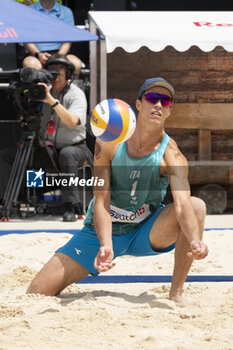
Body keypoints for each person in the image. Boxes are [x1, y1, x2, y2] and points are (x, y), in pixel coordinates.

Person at [26, 77, 208, 305]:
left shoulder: (172, 155)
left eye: (166, 101)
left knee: (196, 205)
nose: (159, 105)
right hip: (100, 231)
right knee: (37, 292)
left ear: (170, 110)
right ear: (139, 105)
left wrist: (194, 241)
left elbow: (182, 206)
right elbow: (101, 200)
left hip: (145, 231)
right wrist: (106, 245)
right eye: (152, 98)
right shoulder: (110, 140)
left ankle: (176, 292)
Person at [0, 54, 93, 222]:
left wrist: (51, 101)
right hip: (48, 147)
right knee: (8, 156)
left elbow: (73, 121)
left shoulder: (75, 94)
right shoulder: (42, 92)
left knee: (67, 153)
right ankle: (9, 203)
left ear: (68, 75)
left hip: (76, 147)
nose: (55, 77)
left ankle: (70, 206)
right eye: (51, 73)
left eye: (59, 73)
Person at [22, 0, 82, 78]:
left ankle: (70, 90)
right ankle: (38, 90)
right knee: (31, 64)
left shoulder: (66, 12)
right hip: (35, 54)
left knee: (76, 63)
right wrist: (38, 54)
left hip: (60, 53)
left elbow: (68, 41)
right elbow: (26, 40)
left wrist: (58, 58)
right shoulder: (27, 11)